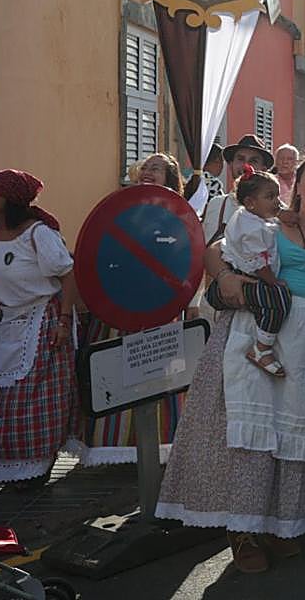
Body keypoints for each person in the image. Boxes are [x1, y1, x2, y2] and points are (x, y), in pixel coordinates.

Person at [156, 154, 305, 573]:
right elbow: (215, 251)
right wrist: (226, 277)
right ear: (298, 185)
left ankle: (280, 527)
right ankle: (244, 532)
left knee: (295, 437)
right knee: (253, 438)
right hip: (255, 332)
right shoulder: (270, 223)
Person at [78, 153, 188, 465]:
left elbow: (185, 258)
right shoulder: (120, 206)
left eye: (157, 168)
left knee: (157, 373)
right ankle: (110, 445)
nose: (148, 171)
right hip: (118, 303)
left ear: (169, 178)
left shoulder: (177, 213)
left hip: (158, 304)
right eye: (146, 167)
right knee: (113, 371)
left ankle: (156, 444)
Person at [0, 170, 80, 487]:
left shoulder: (38, 234)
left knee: (31, 401)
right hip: (4, 324)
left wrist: (64, 321)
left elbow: (68, 275)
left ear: (9, 199)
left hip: (40, 324)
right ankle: (3, 466)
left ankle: (35, 468)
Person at [205, 168, 292, 378]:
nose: (278, 202)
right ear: (251, 202)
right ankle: (262, 348)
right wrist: (274, 282)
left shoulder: (252, 216)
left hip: (246, 277)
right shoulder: (252, 227)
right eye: (271, 197)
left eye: (278, 196)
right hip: (244, 278)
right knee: (278, 300)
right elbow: (259, 264)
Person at [201, 134, 275, 244]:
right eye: (240, 159)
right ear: (231, 164)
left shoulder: (275, 210)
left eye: (253, 161)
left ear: (263, 170)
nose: (246, 166)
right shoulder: (216, 205)